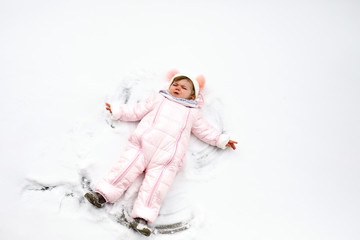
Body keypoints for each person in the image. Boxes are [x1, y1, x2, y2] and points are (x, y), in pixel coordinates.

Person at [84, 73, 237, 236]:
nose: (178, 88)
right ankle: (102, 195)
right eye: (175, 85)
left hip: (166, 160)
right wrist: (119, 111)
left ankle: (142, 218)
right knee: (123, 169)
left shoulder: (192, 113)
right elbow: (137, 110)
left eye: (183, 87)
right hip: (141, 147)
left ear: (193, 95)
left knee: (155, 187)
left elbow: (204, 130)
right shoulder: (158, 99)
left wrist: (220, 139)